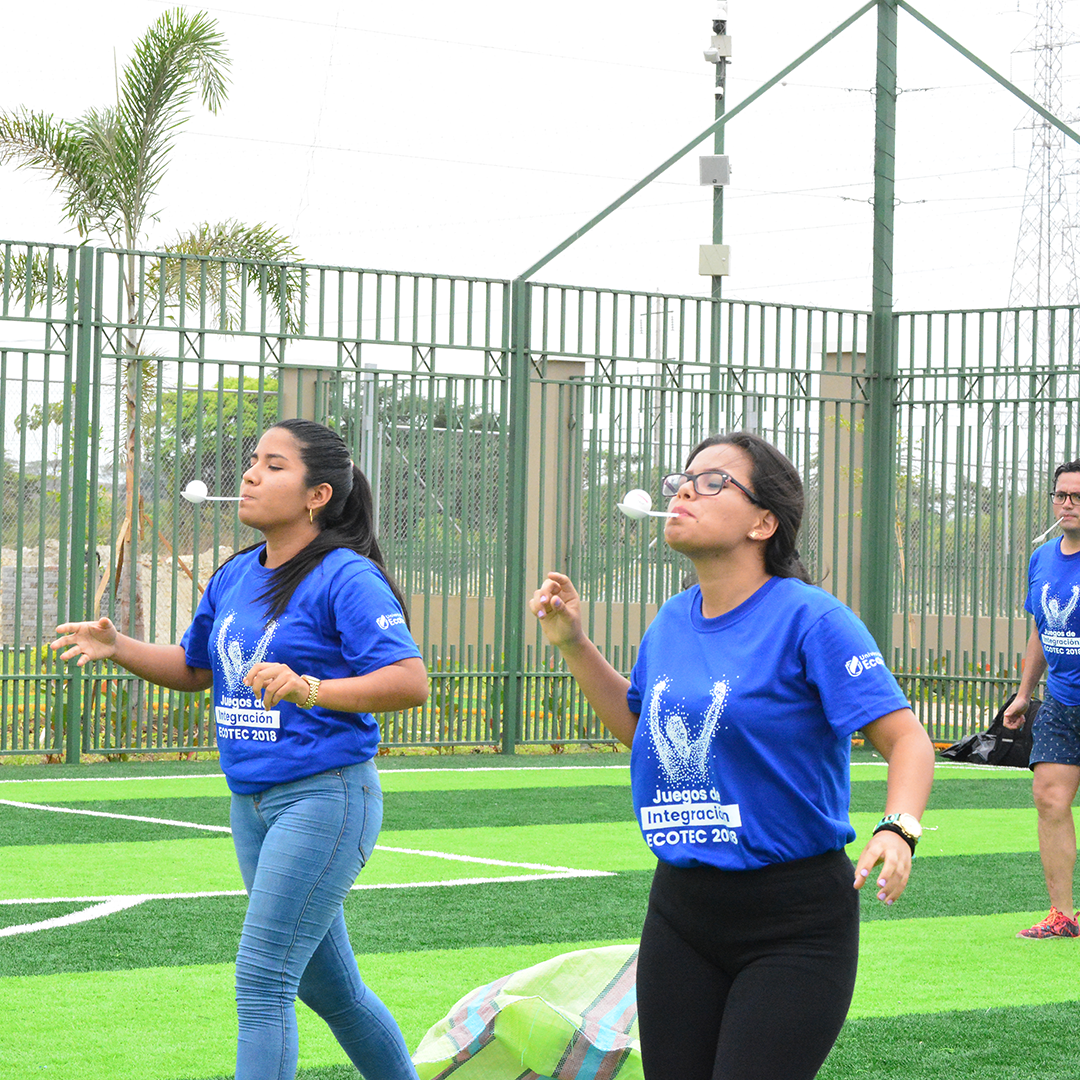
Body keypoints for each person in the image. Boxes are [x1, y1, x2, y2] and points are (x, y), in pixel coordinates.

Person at [529, 431, 934, 1080]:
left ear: (763, 522)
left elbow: (905, 738)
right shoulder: (670, 620)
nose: (685, 489)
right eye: (683, 478)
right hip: (682, 910)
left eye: (714, 480)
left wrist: (899, 828)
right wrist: (575, 645)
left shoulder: (813, 619)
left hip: (794, 919)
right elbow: (645, 734)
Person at [52, 418, 428, 1080]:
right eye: (253, 461)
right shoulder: (235, 574)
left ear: (316, 495)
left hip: (325, 796)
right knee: (330, 992)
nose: (251, 474)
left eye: (274, 465)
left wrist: (309, 687)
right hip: (251, 804)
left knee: (261, 981)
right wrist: (119, 647)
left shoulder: (346, 576)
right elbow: (197, 668)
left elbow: (408, 681)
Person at [1004, 458, 1080, 939]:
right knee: (1049, 798)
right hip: (1060, 700)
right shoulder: (1043, 558)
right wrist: (1023, 693)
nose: (1067, 504)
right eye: (1061, 495)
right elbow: (1040, 629)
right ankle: (1063, 915)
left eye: (1077, 497)